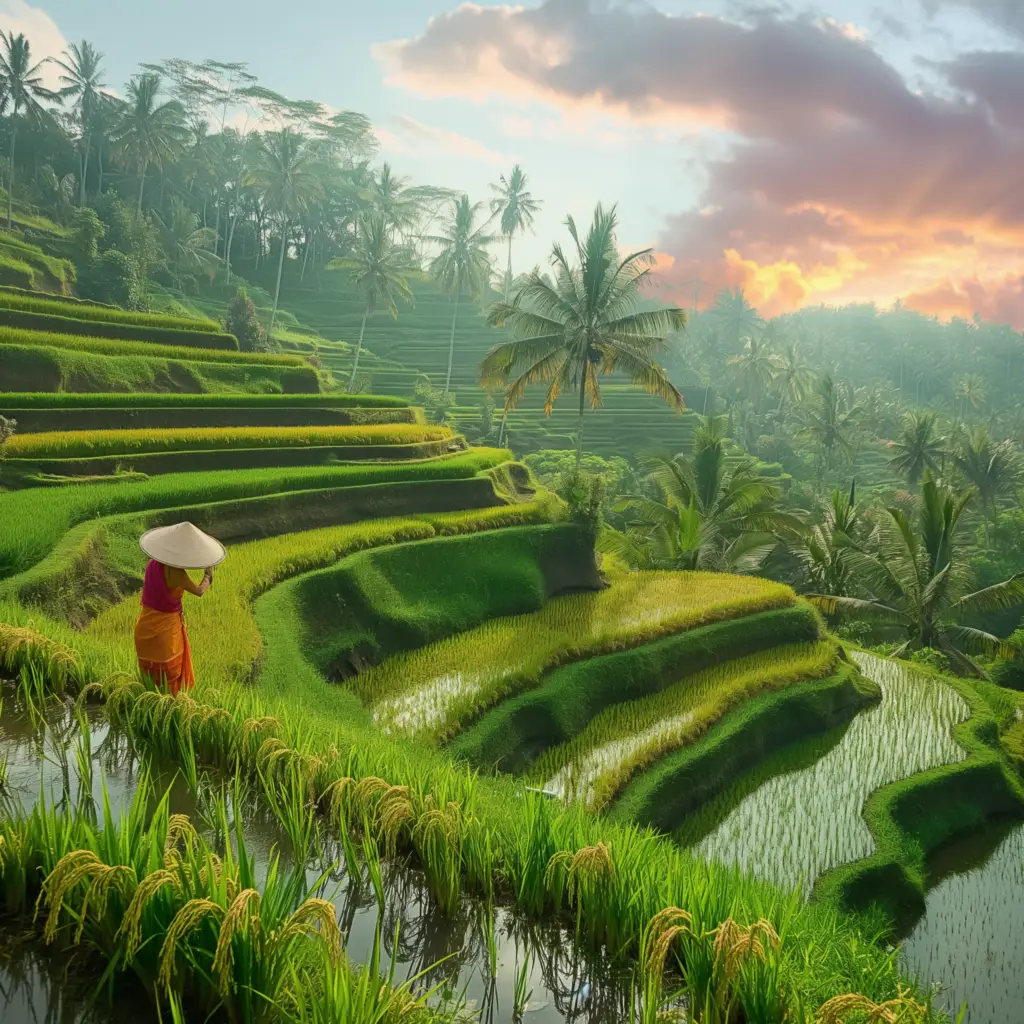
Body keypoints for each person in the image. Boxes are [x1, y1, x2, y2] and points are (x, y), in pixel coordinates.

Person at [134, 521, 226, 696]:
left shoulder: (152, 564)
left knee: (150, 683)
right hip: (165, 633)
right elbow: (199, 591)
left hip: (144, 628)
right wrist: (208, 576)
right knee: (169, 682)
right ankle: (171, 714)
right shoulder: (177, 573)